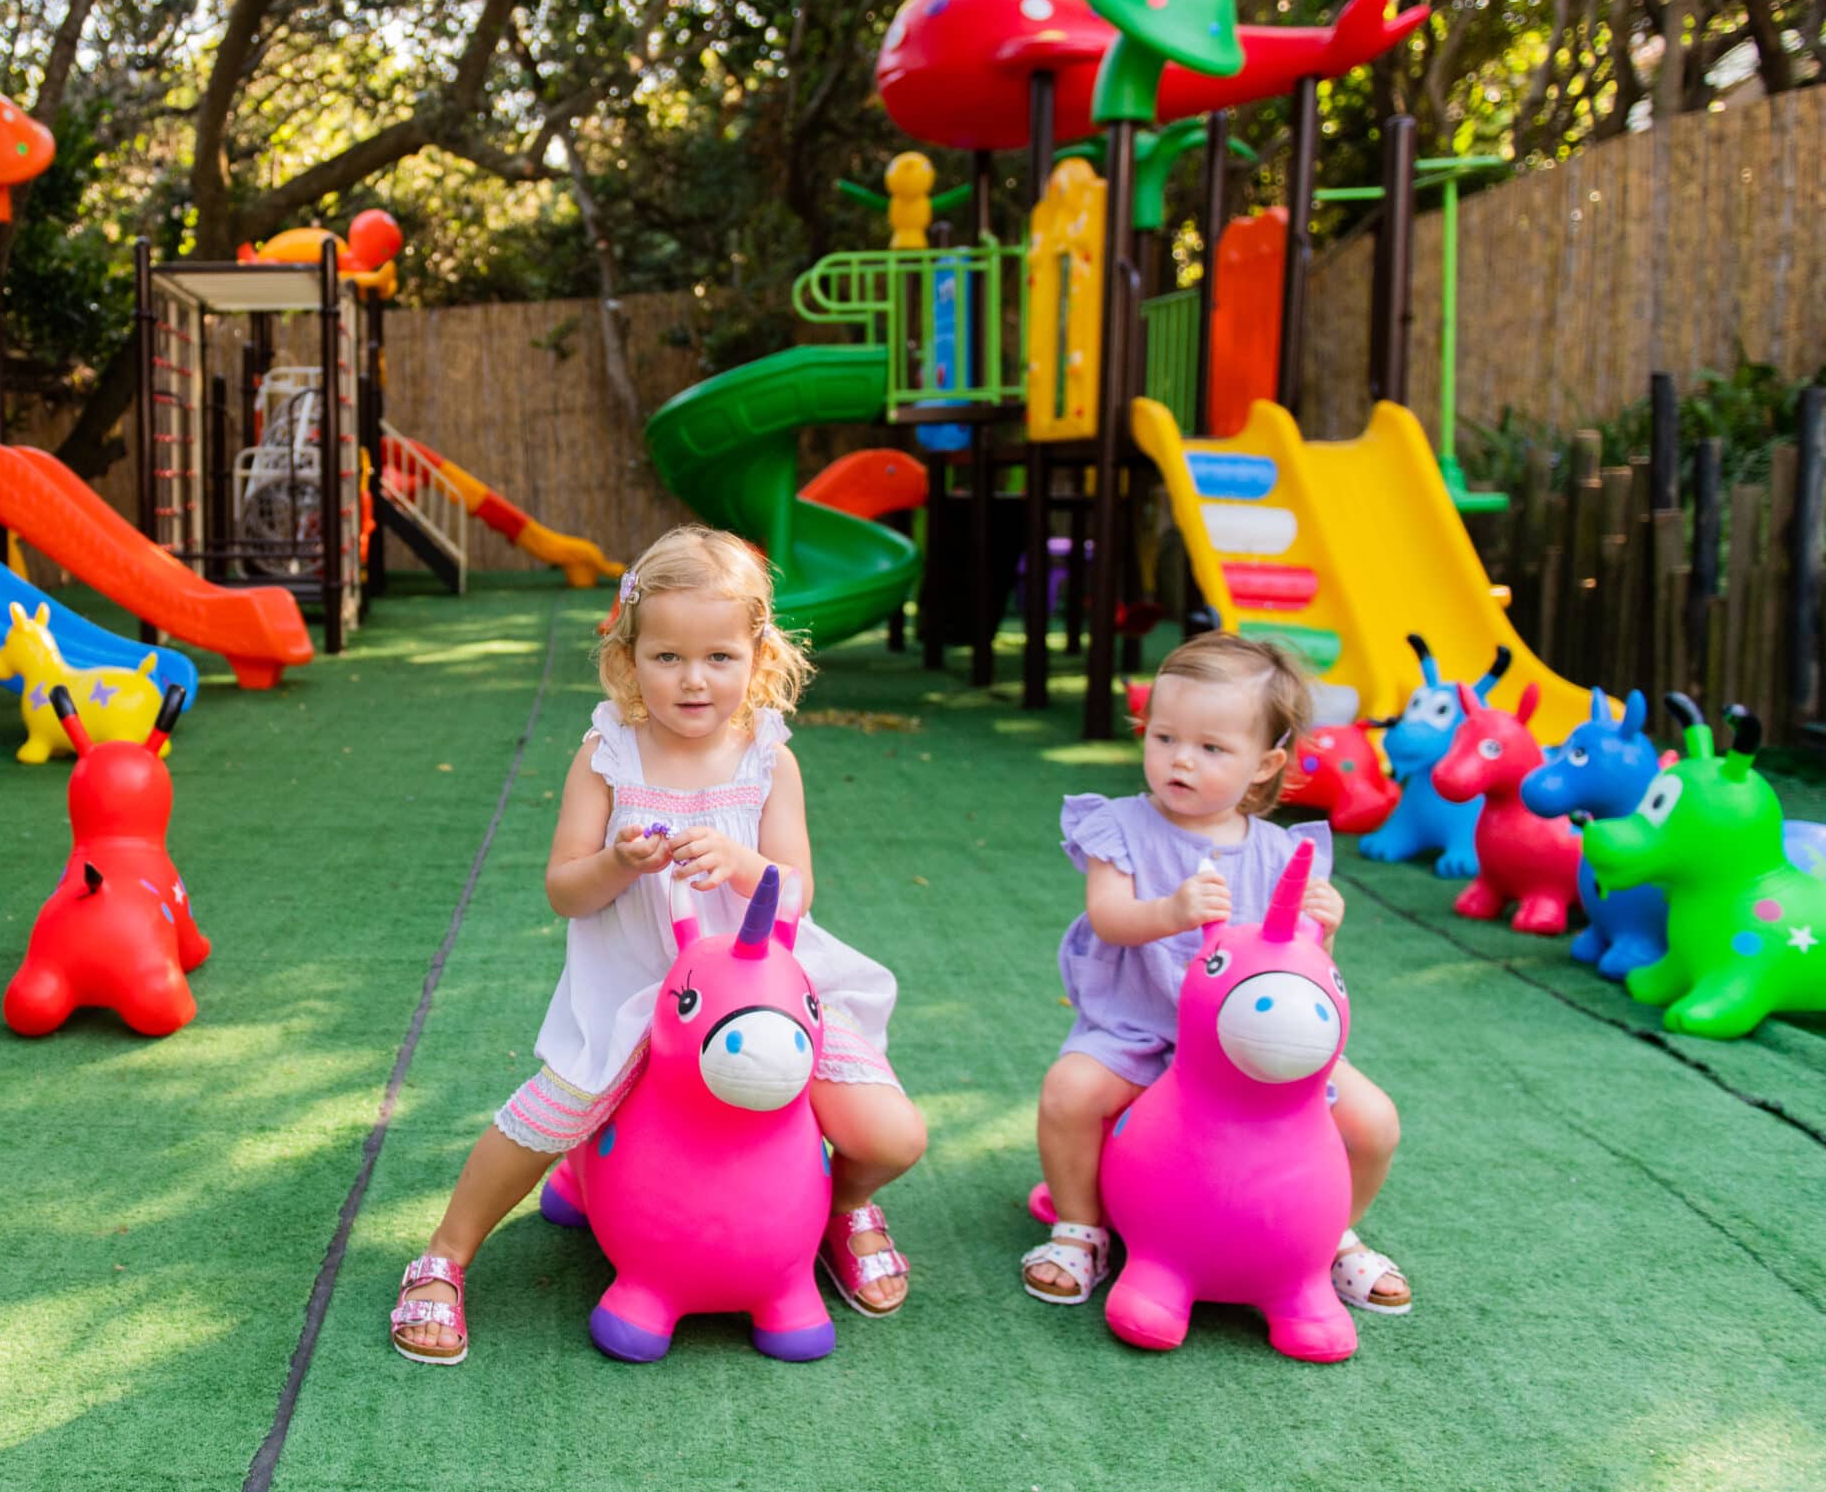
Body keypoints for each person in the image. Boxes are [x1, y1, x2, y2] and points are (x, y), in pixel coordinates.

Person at [390, 525, 927, 1363]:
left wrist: (746, 863)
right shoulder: (609, 754)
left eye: (719, 656)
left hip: (764, 988)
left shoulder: (768, 759)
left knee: (894, 1135)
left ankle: (840, 1210)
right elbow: (563, 888)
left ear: (758, 655)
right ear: (628, 656)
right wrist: (615, 861)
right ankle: (444, 1257)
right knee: (555, 1108)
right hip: (642, 988)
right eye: (667, 656)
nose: (693, 679)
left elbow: (798, 887)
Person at [1020, 632, 1410, 1313]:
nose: (1180, 760)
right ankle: (1079, 1228)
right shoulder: (1119, 828)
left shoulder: (1288, 855)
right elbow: (1110, 918)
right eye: (1164, 737)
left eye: (1211, 748)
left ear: (1266, 764)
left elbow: (1301, 980)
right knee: (1069, 1092)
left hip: (1255, 1051)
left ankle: (1330, 1234)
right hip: (1141, 1028)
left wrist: (1327, 933)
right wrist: (1170, 910)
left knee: (1375, 1122)